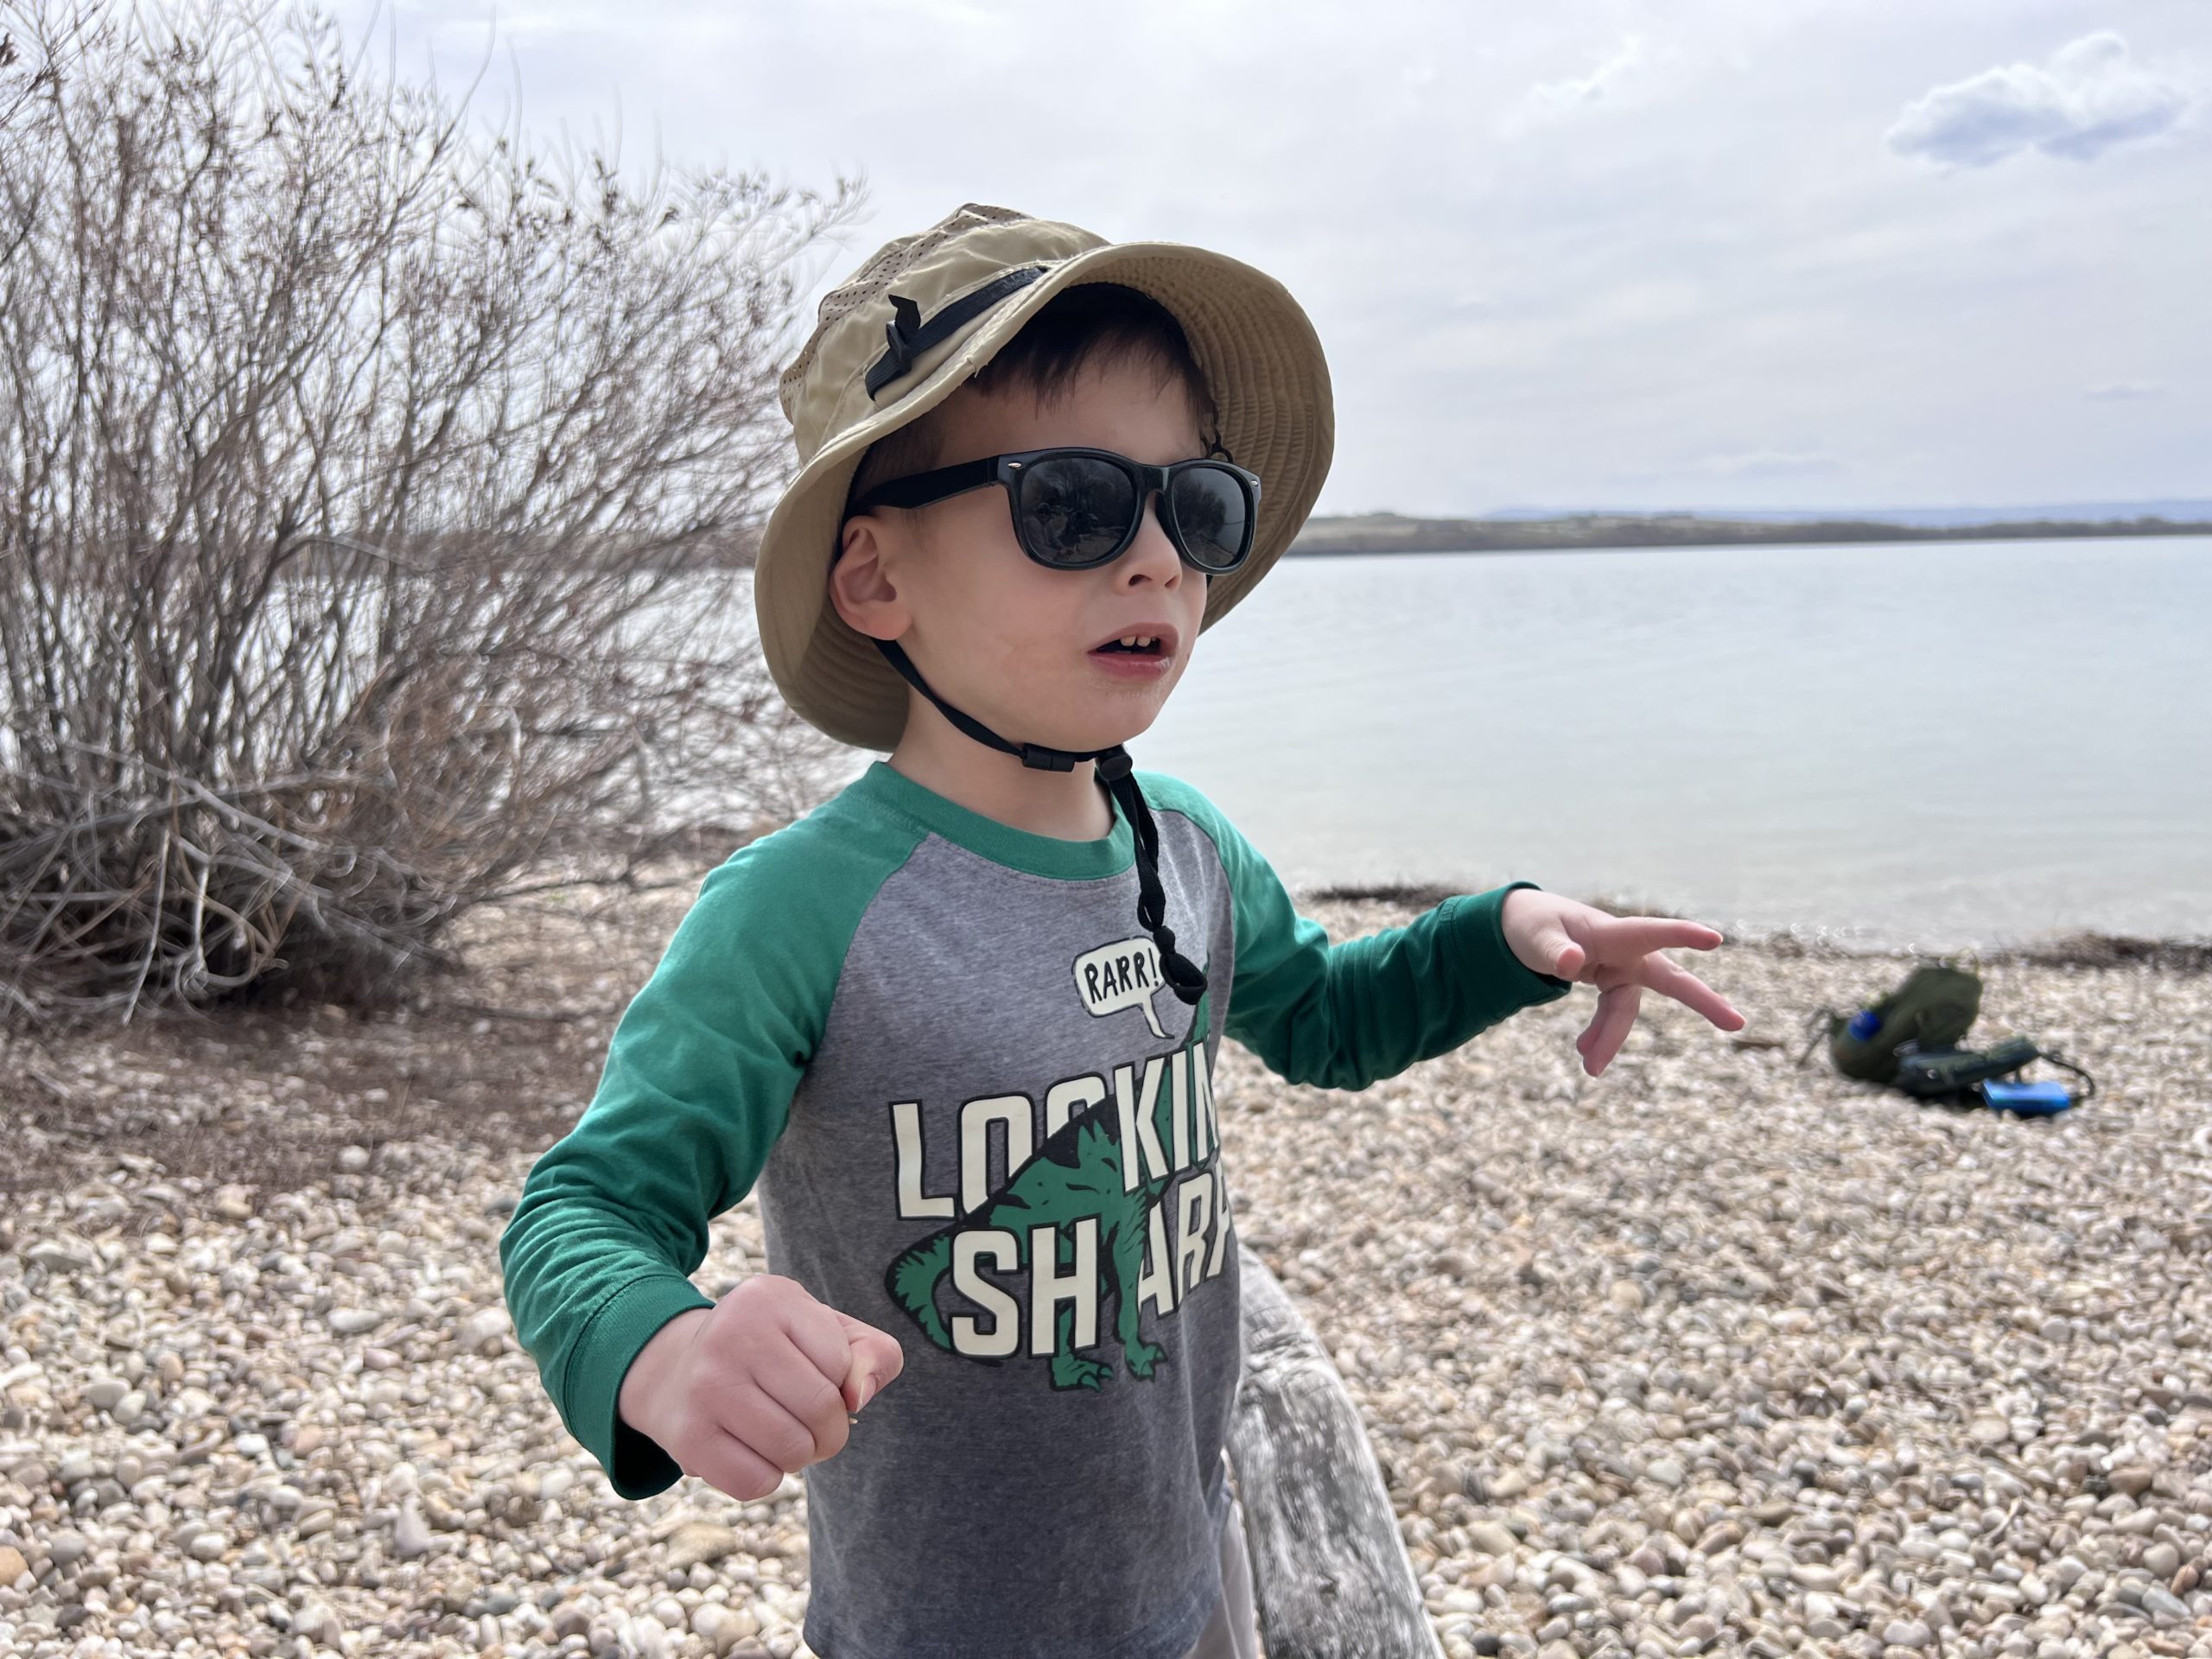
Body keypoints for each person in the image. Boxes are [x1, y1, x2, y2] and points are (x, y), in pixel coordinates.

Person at [499, 201, 1746, 1659]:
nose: (1156, 560)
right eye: (1076, 507)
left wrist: (1500, 936)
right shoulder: (802, 911)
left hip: (1184, 1562)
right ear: (876, 577)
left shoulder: (1188, 849)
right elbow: (579, 1213)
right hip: (937, 1626)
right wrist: (662, 1347)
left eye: (1194, 507)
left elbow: (1327, 1019)